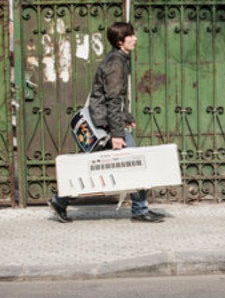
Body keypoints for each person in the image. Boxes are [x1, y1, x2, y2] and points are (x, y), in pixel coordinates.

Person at [48, 22, 166, 223]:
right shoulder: (116, 63)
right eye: (131, 36)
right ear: (120, 41)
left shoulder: (119, 59)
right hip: (106, 125)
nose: (135, 39)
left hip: (106, 121)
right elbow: (112, 99)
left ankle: (60, 201)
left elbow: (113, 96)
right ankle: (140, 210)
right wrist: (117, 134)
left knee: (92, 166)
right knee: (134, 162)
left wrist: (126, 117)